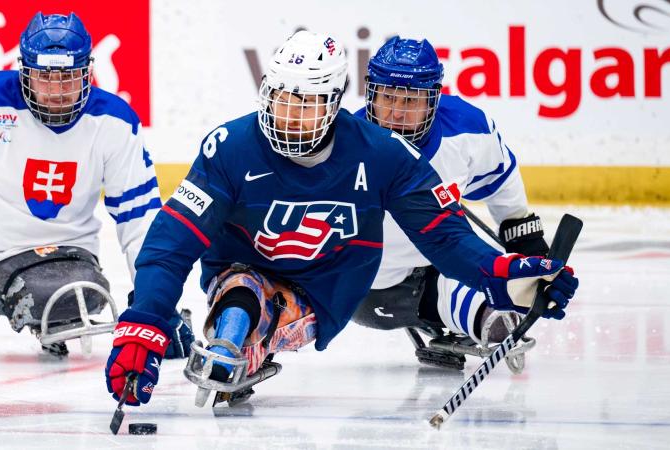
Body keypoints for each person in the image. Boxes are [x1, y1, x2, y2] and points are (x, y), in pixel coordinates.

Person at [104, 31, 577, 408]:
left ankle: (256, 334)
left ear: (333, 103)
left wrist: (503, 274)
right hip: (247, 269)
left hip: (329, 290)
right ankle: (238, 332)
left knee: (256, 301)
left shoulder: (383, 154)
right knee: (242, 293)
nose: (289, 115)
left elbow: (445, 235)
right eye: (281, 98)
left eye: (306, 103)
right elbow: (171, 242)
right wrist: (144, 321)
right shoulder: (227, 147)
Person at [0, 12, 192, 358]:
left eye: (69, 77)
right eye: (45, 77)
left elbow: (141, 222)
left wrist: (155, 302)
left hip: (76, 256)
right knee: (51, 295)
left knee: (85, 292)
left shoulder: (115, 122)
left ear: (88, 71)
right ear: (24, 70)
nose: (57, 91)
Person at [350, 36, 552, 372]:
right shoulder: (346, 146)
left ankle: (483, 314)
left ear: (433, 100)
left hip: (442, 257)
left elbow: (500, 177)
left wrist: (523, 236)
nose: (397, 113)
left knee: (481, 283)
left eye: (411, 100)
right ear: (371, 94)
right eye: (388, 97)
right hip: (369, 287)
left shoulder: (468, 130)